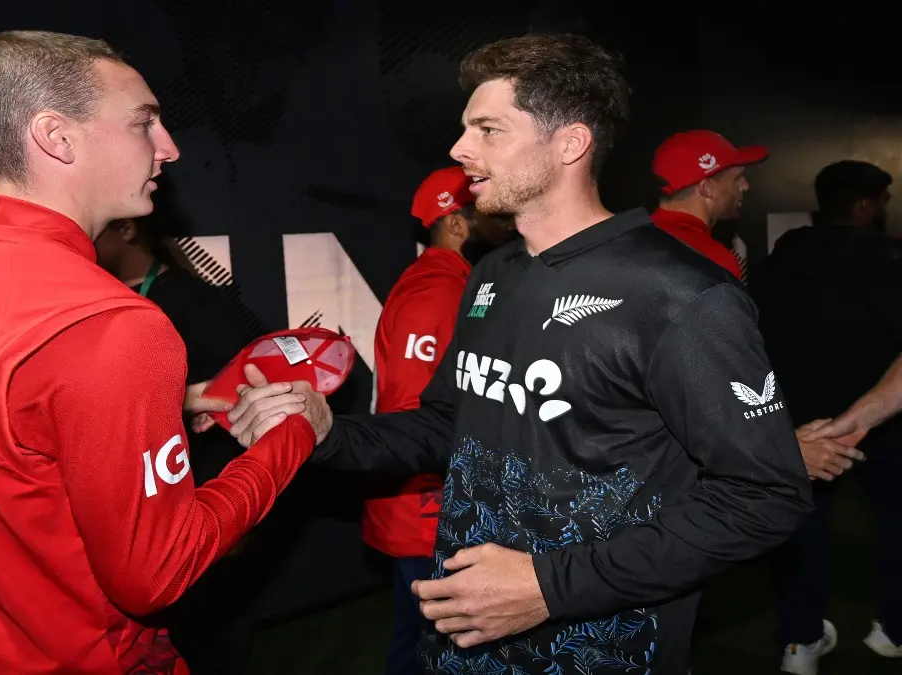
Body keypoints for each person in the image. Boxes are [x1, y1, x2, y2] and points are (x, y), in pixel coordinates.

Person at [224, 33, 812, 673]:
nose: (459, 149)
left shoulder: (681, 294)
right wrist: (328, 431)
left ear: (570, 143)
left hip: (599, 652)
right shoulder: (492, 274)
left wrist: (549, 587)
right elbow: (449, 425)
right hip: (462, 633)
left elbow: (765, 496)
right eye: (464, 128)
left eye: (488, 129)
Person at [0, 30, 323, 675]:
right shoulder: (108, 323)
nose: (169, 148)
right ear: (57, 137)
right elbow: (159, 573)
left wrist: (165, 404)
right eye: (144, 123)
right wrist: (291, 436)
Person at [94, 209, 264, 675]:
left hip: (194, 507)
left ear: (127, 229)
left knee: (207, 639)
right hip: (128, 512)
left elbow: (235, 408)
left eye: (97, 228)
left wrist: (233, 520)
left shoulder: (197, 301)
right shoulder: (92, 298)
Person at [748, 159, 902, 672]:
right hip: (883, 426)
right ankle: (894, 630)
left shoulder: (779, 260)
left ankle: (800, 642)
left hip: (805, 425)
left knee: (802, 531)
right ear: (864, 205)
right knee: (896, 523)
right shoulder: (890, 260)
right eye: (882, 200)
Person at [363, 166, 513, 675]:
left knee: (430, 643)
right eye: (488, 214)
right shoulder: (438, 291)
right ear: (455, 223)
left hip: (429, 505)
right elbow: (414, 412)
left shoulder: (449, 282)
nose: (503, 224)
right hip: (428, 509)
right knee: (436, 649)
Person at [649, 129, 768, 280]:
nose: (745, 186)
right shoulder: (714, 261)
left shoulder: (634, 240)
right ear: (707, 189)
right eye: (737, 178)